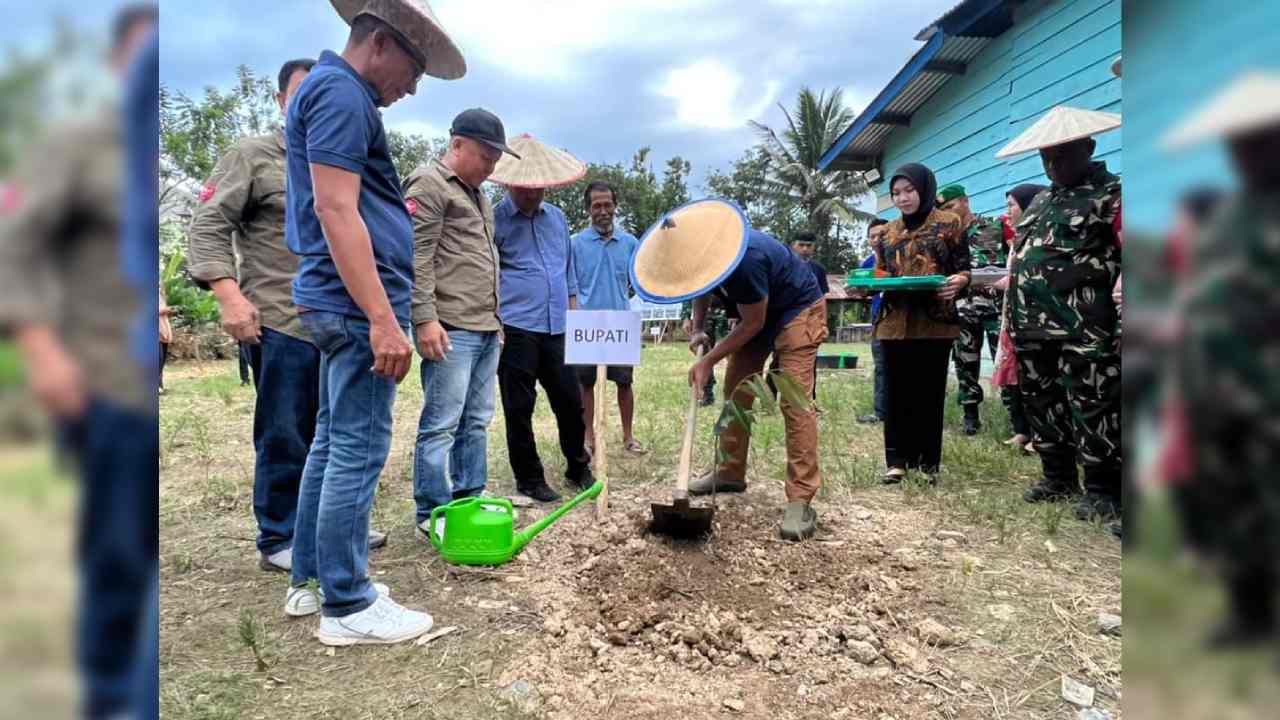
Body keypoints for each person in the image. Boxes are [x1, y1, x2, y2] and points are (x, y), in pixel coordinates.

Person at [283, 0, 466, 645]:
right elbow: (336, 211)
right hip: (353, 304)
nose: (411, 88)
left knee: (332, 442)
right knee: (357, 449)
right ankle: (348, 603)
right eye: (413, 70)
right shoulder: (342, 95)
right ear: (381, 43)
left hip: (337, 301)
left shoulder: (334, 93)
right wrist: (383, 320)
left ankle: (313, 578)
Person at [0, 6, 158, 717]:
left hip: (151, 384)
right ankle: (104, 698)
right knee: (117, 560)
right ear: (119, 63)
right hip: (104, 384)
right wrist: (39, 350)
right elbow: (15, 246)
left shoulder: (152, 159)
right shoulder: (76, 145)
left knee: (151, 565)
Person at [188, 58, 389, 573]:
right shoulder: (253, 157)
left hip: (341, 318)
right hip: (281, 318)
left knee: (340, 433)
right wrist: (229, 296)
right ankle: (281, 535)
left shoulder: (345, 156)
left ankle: (331, 529)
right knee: (286, 433)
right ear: (283, 102)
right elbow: (208, 225)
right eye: (304, 94)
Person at [1160, 70, 1280, 646]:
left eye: (1257, 140)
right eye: (1237, 143)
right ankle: (1249, 610)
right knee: (1232, 495)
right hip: (1221, 382)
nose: (1244, 153)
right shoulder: (1233, 210)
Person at [632, 199, 827, 541]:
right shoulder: (702, 258)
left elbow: (753, 322)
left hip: (797, 309)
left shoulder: (747, 257)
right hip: (759, 311)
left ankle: (800, 499)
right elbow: (701, 287)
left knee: (794, 401)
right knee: (737, 389)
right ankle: (730, 472)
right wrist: (698, 328)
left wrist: (708, 360)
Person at [994, 105, 1123, 524]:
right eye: (1046, 157)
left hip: (1085, 327)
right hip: (1032, 327)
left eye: (1062, 155)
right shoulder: (1041, 201)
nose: (1053, 165)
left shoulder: (1112, 195)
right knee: (1042, 403)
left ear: (1089, 148)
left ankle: (1103, 489)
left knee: (1094, 405)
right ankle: (1058, 477)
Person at [401, 108, 516, 537]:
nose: (490, 167)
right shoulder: (428, 184)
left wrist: (496, 321)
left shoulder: (479, 196)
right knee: (442, 422)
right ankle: (431, 512)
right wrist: (424, 319)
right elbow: (416, 257)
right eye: (486, 157)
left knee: (477, 419)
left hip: (484, 325)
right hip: (449, 326)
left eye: (495, 160)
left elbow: (482, 260)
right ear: (457, 144)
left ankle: (469, 497)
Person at [490, 134, 594, 503]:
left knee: (570, 400)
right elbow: (488, 273)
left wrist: (573, 311)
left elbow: (568, 269)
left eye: (539, 187)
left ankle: (578, 466)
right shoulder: (494, 219)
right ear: (509, 183)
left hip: (556, 326)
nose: (533, 193)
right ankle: (529, 478)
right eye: (525, 187)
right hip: (516, 326)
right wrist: (495, 322)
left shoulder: (558, 218)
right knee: (519, 407)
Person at [872, 165, 971, 484]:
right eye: (896, 193)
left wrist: (960, 281)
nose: (903, 198)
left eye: (909, 190)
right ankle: (896, 461)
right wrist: (865, 286)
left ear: (925, 189)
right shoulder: (887, 231)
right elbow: (881, 273)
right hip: (895, 320)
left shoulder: (949, 223)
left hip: (934, 320)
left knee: (928, 392)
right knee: (896, 392)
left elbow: (964, 268)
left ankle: (928, 463)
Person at [571, 180, 646, 455]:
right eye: (596, 206)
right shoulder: (575, 244)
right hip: (585, 324)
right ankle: (588, 438)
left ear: (615, 206)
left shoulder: (631, 243)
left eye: (607, 205)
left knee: (625, 382)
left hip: (621, 322)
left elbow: (643, 277)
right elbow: (569, 284)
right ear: (588, 209)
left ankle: (628, 437)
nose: (603, 211)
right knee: (585, 383)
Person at [936, 184, 1005, 435]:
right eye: (944, 209)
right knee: (965, 361)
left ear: (965, 201)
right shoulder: (947, 238)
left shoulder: (994, 227)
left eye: (952, 205)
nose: (950, 212)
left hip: (996, 306)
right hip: (964, 308)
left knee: (1003, 359)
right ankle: (970, 415)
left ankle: (1018, 417)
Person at [990, 183, 1047, 453]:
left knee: (1036, 378)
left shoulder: (1041, 236)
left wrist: (1006, 282)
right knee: (1015, 375)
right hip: (1013, 317)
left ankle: (1041, 435)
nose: (1007, 212)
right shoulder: (1017, 239)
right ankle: (1022, 430)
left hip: (1036, 320)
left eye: (1012, 205)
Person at [855, 219, 890, 424]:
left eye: (882, 235)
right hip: (879, 318)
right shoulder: (867, 263)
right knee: (881, 365)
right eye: (872, 236)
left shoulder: (900, 259)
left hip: (901, 317)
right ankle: (880, 412)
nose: (877, 240)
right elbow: (864, 291)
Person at [681, 298, 729, 406]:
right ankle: (706, 395)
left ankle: (736, 395)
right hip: (705, 313)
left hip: (728, 312)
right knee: (704, 354)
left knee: (733, 353)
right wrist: (686, 317)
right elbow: (690, 292)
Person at [159, 286, 173, 393]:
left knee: (162, 360)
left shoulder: (160, 296)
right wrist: (163, 310)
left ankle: (160, 386)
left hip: (163, 330)